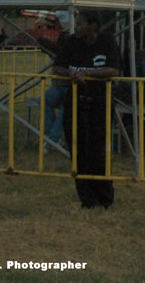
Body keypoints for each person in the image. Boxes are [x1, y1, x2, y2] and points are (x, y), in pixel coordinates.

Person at [51, 11, 120, 208]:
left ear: (93, 26)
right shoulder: (71, 42)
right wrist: (72, 73)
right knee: (78, 150)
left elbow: (114, 70)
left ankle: (105, 198)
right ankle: (87, 200)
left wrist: (86, 73)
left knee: (98, 151)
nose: (78, 28)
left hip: (100, 101)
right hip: (75, 101)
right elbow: (57, 68)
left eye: (81, 24)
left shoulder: (107, 41)